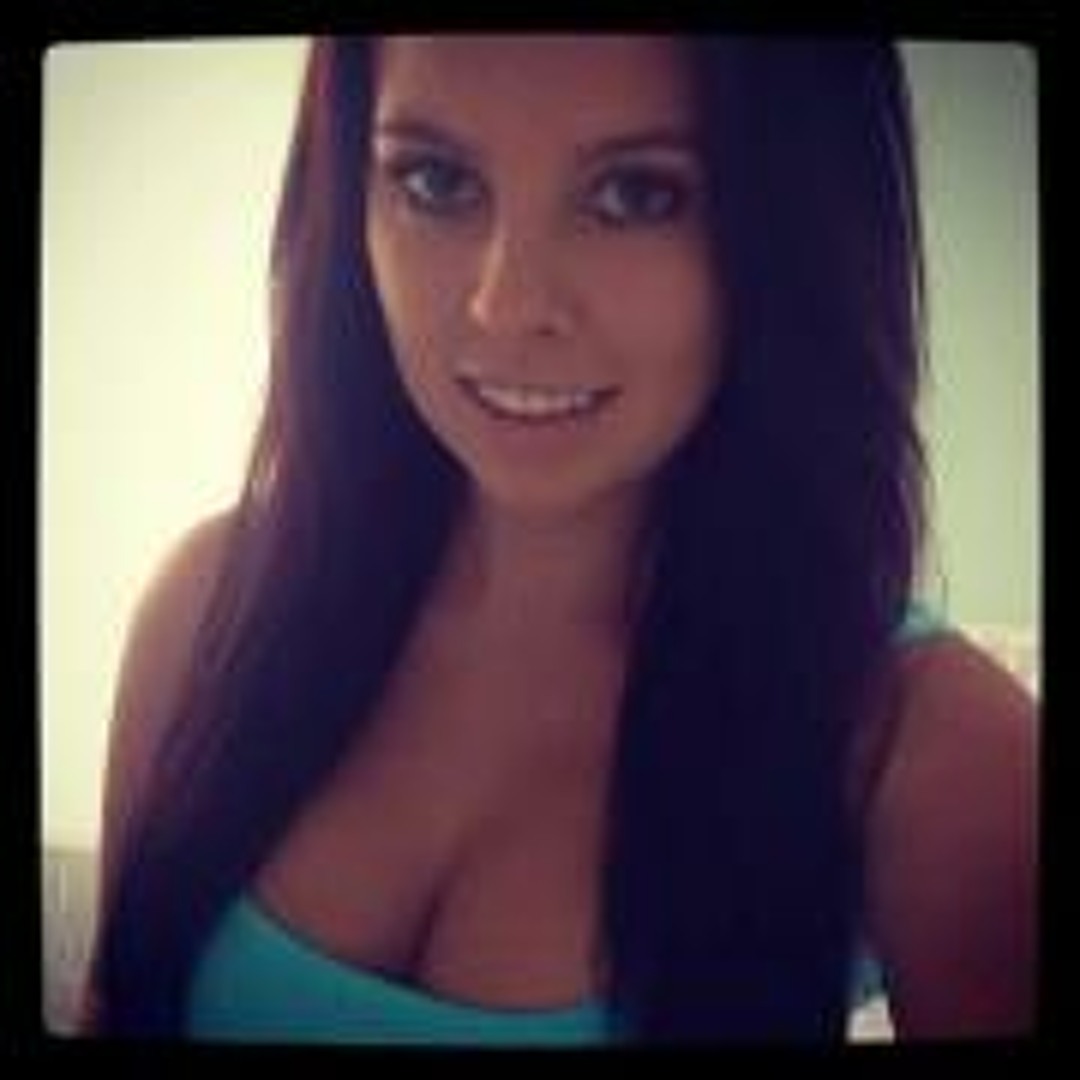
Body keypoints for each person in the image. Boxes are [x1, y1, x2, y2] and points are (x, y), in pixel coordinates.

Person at [82, 35, 1038, 1044]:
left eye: (636, 195)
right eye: (435, 180)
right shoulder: (209, 609)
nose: (506, 306)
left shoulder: (934, 751)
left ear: (798, 228)